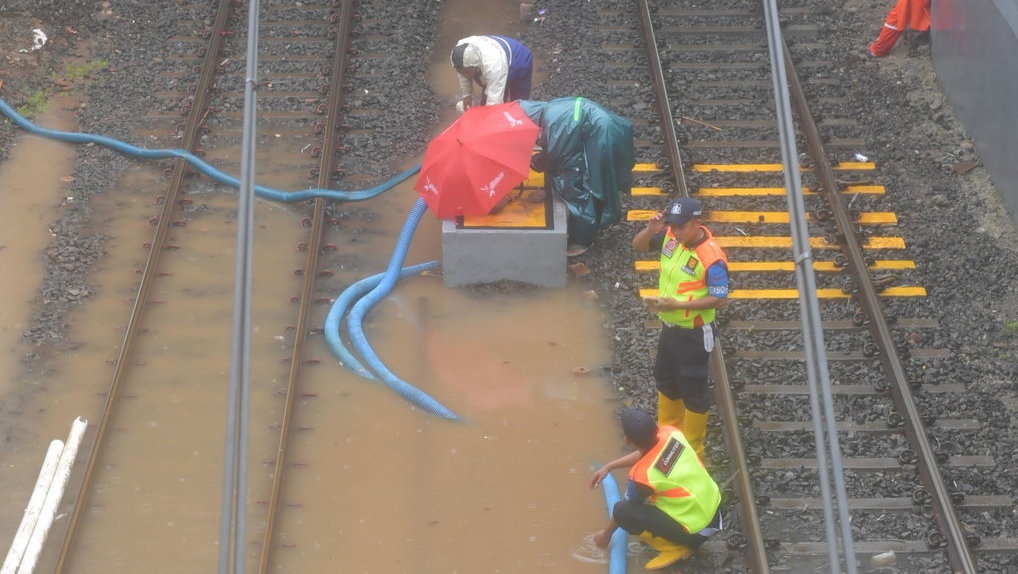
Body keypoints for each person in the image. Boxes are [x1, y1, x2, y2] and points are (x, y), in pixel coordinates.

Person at [632, 197, 728, 458]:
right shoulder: (669, 238)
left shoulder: (711, 256)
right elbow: (638, 246)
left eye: (680, 228)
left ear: (696, 223)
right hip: (670, 329)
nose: (674, 232)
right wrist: (651, 230)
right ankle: (666, 443)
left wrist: (678, 304)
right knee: (666, 382)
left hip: (694, 334)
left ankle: (694, 452)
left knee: (693, 392)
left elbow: (719, 297)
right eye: (672, 226)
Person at [590, 407, 723, 570]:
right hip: (715, 510)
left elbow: (624, 511)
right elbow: (647, 452)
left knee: (622, 511)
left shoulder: (643, 477)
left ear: (627, 440)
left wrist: (605, 536)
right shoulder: (671, 433)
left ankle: (674, 548)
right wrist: (609, 467)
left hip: (697, 531)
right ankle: (680, 537)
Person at [451, 35, 533, 111]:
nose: (466, 75)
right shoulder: (460, 52)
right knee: (484, 105)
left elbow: (494, 103)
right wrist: (467, 95)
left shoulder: (494, 66)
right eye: (461, 72)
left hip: (520, 59)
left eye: (468, 72)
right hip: (499, 51)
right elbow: (462, 72)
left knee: (518, 106)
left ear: (476, 64)